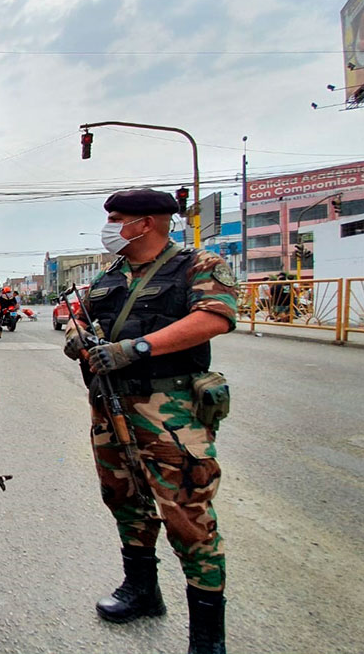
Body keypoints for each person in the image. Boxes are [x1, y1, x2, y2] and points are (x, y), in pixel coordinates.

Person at [63, 189, 235, 654]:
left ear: (148, 223)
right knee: (124, 497)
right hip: (111, 407)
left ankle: (206, 638)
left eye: (118, 219)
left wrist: (136, 348)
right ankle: (142, 589)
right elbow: (77, 318)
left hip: (171, 412)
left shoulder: (196, 265)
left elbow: (216, 317)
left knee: (186, 515)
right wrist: (77, 338)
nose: (112, 227)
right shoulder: (109, 275)